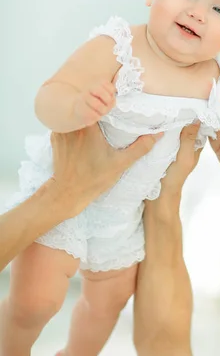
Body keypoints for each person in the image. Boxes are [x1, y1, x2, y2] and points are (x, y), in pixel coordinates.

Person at [0, 0, 220, 356]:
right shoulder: (119, 46)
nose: (197, 13)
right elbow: (49, 97)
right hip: (64, 190)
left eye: (217, 8)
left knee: (107, 304)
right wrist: (78, 106)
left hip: (125, 213)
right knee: (36, 300)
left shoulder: (217, 79)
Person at [0, 123, 200, 356]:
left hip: (123, 205)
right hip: (71, 167)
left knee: (110, 299)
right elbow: (52, 97)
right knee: (35, 301)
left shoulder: (211, 87)